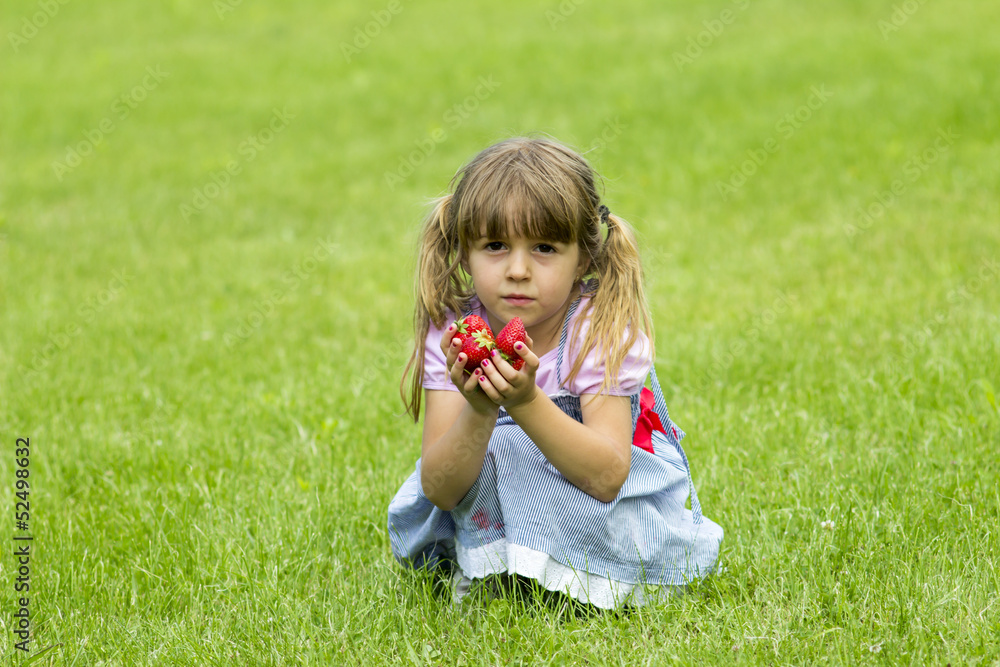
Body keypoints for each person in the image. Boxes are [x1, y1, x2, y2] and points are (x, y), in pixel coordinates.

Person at [388, 136, 723, 609]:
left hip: (586, 492)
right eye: (496, 245)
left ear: (583, 258)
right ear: (464, 252)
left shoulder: (596, 329)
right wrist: (481, 411)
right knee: (501, 445)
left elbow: (607, 476)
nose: (518, 269)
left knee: (522, 446)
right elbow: (441, 490)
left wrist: (525, 402)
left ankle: (581, 576)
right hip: (484, 500)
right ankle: (497, 572)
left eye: (544, 247)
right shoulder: (456, 331)